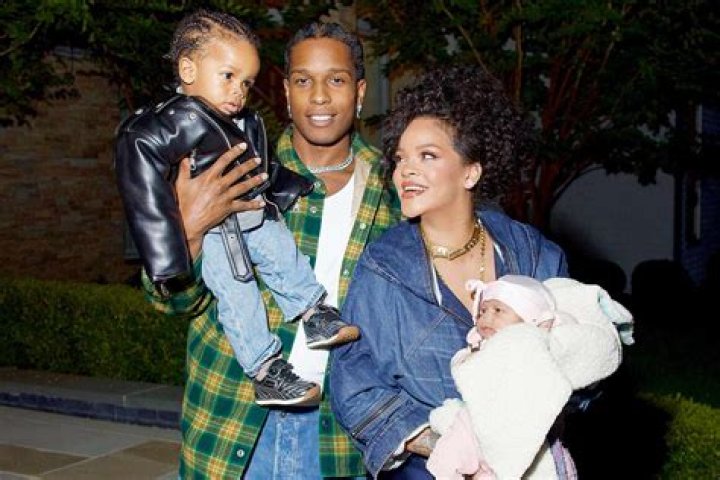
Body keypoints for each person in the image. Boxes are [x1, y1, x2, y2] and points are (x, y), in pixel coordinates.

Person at [141, 20, 400, 478]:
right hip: (229, 429)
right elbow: (171, 302)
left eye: (336, 80)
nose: (319, 97)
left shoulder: (394, 188)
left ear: (360, 91)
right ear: (285, 92)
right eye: (303, 81)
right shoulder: (230, 171)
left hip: (338, 439)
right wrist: (189, 229)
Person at [329, 64, 572, 479]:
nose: (405, 170)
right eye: (400, 158)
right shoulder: (383, 267)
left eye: (428, 155)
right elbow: (352, 379)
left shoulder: (533, 254)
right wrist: (448, 448)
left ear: (471, 171)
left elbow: (580, 357)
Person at [115, 10, 362, 409]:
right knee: (237, 290)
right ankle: (265, 370)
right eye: (228, 76)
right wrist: (179, 237)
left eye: (246, 82)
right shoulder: (178, 120)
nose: (238, 91)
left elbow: (259, 166)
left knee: (281, 251)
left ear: (359, 90)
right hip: (216, 235)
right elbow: (170, 298)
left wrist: (286, 184)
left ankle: (313, 312)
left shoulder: (241, 120)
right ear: (188, 69)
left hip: (252, 213)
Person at [426, 275, 634, 479]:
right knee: (457, 442)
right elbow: (465, 371)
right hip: (479, 427)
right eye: (483, 310)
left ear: (529, 317)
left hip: (522, 430)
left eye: (498, 310)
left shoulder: (532, 343)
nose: (486, 317)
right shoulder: (480, 345)